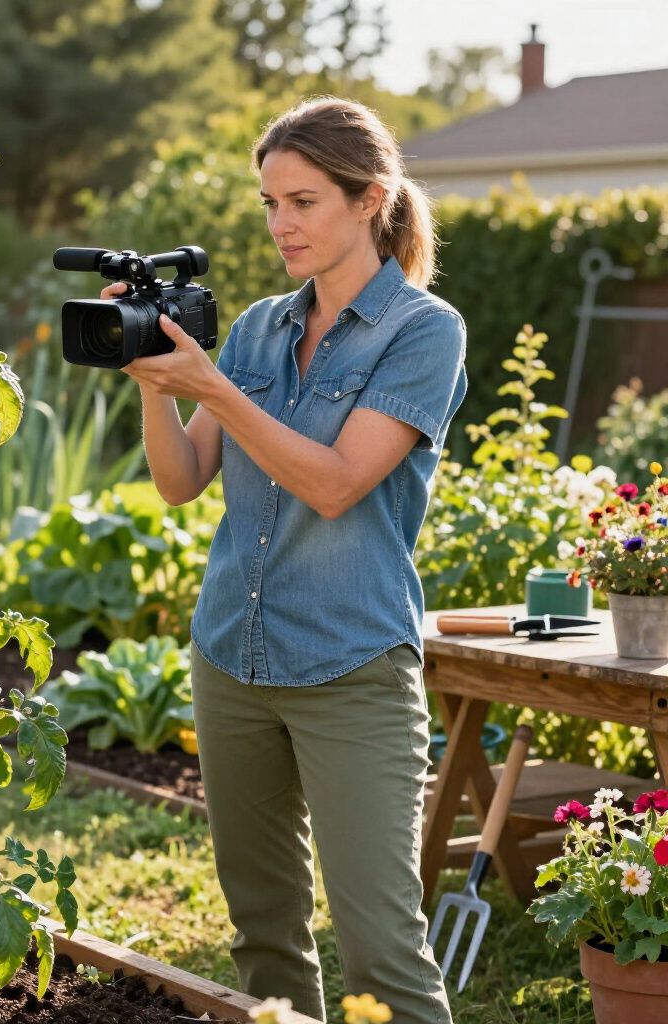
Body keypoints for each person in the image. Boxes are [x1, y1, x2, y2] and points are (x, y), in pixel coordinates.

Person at [108, 96, 466, 1024]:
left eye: (302, 202)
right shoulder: (261, 325)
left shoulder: (423, 332)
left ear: (369, 199)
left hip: (352, 665)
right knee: (263, 933)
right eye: (269, 204)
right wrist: (152, 377)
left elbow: (340, 482)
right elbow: (183, 479)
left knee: (381, 949)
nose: (280, 225)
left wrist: (214, 388)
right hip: (232, 655)